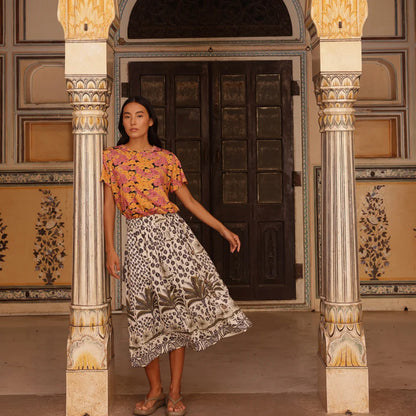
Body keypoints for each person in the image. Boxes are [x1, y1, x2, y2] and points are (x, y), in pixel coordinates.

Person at [101, 96, 252, 416]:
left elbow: (189, 202)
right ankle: (154, 390)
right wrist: (110, 248)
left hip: (173, 238)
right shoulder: (112, 158)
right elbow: (109, 205)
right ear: (122, 122)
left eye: (139, 116)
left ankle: (174, 392)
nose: (133, 121)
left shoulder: (166, 159)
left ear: (150, 121)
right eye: (127, 116)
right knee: (144, 315)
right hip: (138, 240)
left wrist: (223, 229)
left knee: (176, 313)